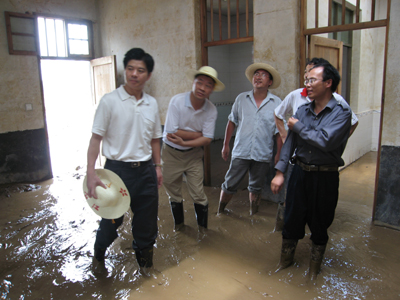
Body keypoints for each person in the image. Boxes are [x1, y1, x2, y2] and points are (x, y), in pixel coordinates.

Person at [271, 59, 352, 281]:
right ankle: (284, 262)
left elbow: (325, 141)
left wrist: (297, 126)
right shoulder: (303, 109)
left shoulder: (341, 113)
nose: (307, 83)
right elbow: (290, 144)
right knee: (291, 219)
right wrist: (280, 172)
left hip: (325, 177)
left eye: (312, 79)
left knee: (320, 222)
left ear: (328, 83)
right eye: (306, 79)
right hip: (299, 173)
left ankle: (314, 271)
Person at [86, 48, 162, 275]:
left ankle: (146, 268)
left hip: (146, 170)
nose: (134, 74)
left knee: (147, 225)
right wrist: (91, 172)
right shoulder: (109, 101)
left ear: (148, 75)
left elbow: (156, 139)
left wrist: (158, 167)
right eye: (130, 69)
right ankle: (99, 254)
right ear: (124, 70)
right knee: (111, 222)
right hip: (116, 172)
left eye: (140, 70)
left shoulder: (152, 104)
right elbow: (95, 138)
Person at [162, 66, 225, 232]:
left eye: (208, 85)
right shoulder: (177, 101)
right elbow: (171, 131)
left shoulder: (211, 109)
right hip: (170, 154)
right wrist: (197, 134)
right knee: (174, 192)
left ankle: (204, 231)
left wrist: (185, 142)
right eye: (200, 82)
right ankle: (179, 227)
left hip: (194, 155)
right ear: (193, 83)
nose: (203, 88)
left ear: (212, 89)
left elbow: (208, 138)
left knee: (198, 193)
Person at [218, 63, 283, 216]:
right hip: (241, 151)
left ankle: (253, 213)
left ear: (270, 82)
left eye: (263, 75)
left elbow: (278, 132)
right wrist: (225, 144)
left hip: (262, 152)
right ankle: (220, 211)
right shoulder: (241, 99)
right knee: (230, 183)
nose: (258, 77)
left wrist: (278, 153)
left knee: (256, 187)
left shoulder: (277, 103)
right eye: (256, 74)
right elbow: (231, 121)